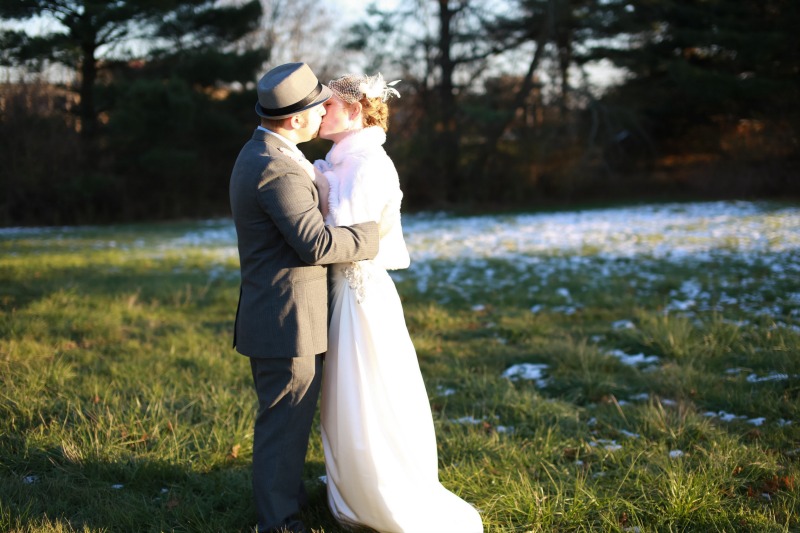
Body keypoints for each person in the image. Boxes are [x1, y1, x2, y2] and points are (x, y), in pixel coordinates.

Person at [312, 73, 484, 532]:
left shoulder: (368, 163)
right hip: (342, 290)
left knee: (367, 391)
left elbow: (351, 237)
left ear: (354, 110)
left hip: (361, 292)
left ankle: (381, 495)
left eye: (328, 105)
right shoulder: (342, 158)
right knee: (343, 398)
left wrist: (319, 188)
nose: (320, 112)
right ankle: (351, 491)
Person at [228, 63, 380, 533]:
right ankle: (279, 523)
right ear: (295, 120)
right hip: (285, 318)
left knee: (288, 423)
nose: (324, 113)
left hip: (284, 313)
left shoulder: (268, 152)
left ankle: (288, 500)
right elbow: (315, 244)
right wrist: (374, 236)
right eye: (318, 109)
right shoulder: (276, 169)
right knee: (284, 425)